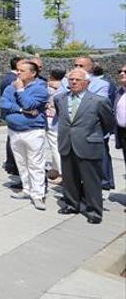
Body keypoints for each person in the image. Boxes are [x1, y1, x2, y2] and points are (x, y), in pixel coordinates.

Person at [55, 68, 115, 224]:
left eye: (77, 80)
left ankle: (94, 211)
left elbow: (108, 123)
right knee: (69, 178)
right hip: (66, 144)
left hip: (88, 145)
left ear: (87, 83)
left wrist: (94, 136)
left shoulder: (98, 101)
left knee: (91, 181)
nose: (73, 82)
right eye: (71, 79)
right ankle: (71, 204)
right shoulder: (60, 99)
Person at [0, 60, 50, 210]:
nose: (18, 73)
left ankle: (38, 194)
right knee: (21, 163)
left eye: (22, 70)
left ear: (33, 73)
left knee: (36, 164)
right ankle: (27, 189)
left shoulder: (40, 89)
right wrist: (20, 110)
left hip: (33, 131)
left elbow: (29, 105)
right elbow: (3, 103)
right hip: (14, 130)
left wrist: (20, 91)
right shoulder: (10, 87)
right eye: (18, 70)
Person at [0, 56, 23, 180]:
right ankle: (12, 164)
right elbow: (5, 100)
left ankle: (11, 164)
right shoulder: (12, 80)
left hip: (11, 112)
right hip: (13, 113)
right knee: (12, 139)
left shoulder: (7, 77)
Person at [45, 69, 66, 183]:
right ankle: (55, 169)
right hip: (60, 120)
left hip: (51, 119)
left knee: (55, 147)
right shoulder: (65, 87)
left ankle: (62, 173)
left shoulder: (49, 88)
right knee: (56, 145)